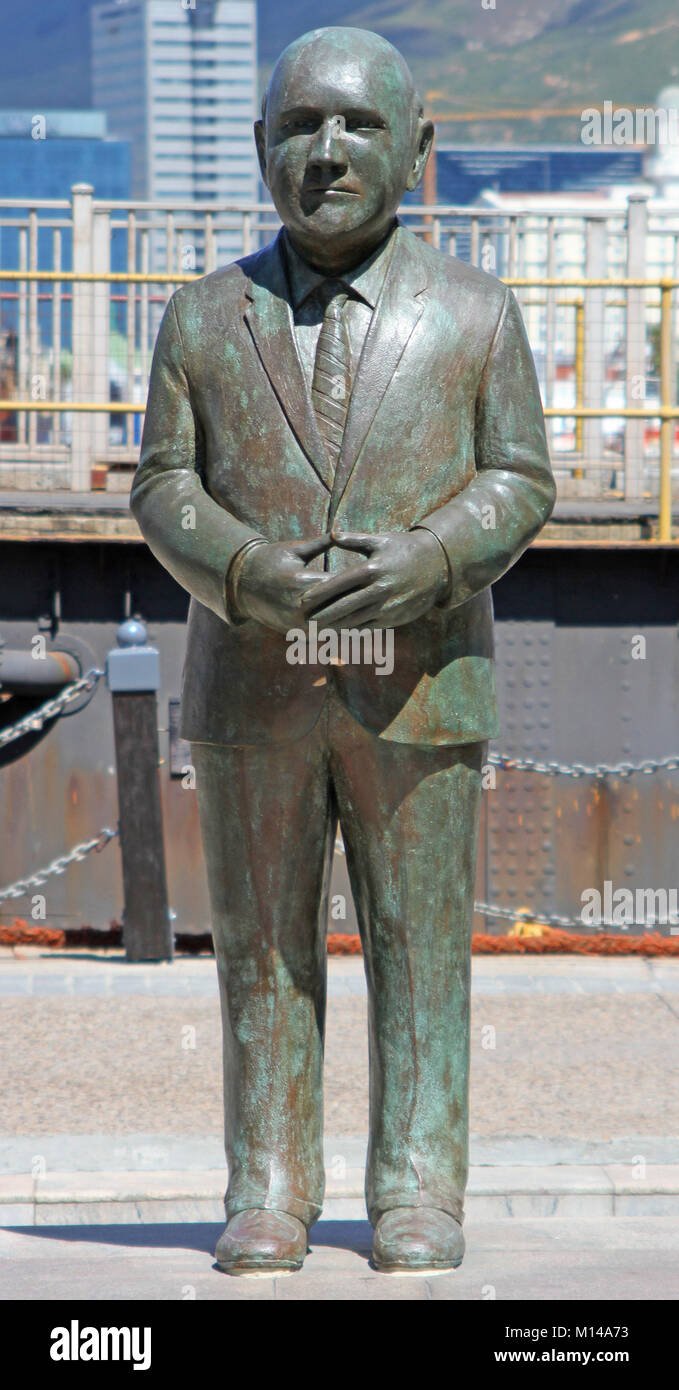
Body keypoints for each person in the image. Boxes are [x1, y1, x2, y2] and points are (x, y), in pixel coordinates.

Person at [131, 26, 555, 1277]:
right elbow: (162, 484)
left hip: (420, 681)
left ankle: (418, 1189)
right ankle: (267, 1186)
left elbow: (522, 478)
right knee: (262, 950)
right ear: (261, 148)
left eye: (359, 126)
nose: (327, 151)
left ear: (417, 150)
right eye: (302, 126)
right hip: (252, 681)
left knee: (422, 952)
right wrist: (241, 568)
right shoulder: (204, 318)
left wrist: (434, 552)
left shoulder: (477, 315)